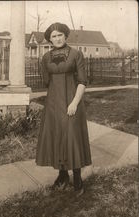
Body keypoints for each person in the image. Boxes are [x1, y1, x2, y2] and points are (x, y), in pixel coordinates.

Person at [36, 22, 92, 193]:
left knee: (72, 136)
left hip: (71, 101)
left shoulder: (76, 54)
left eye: (60, 35)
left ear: (65, 36)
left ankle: (77, 178)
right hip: (53, 103)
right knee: (57, 136)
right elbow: (46, 82)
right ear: (49, 39)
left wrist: (74, 102)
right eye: (54, 36)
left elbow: (82, 82)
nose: (57, 38)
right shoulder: (45, 58)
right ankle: (62, 175)